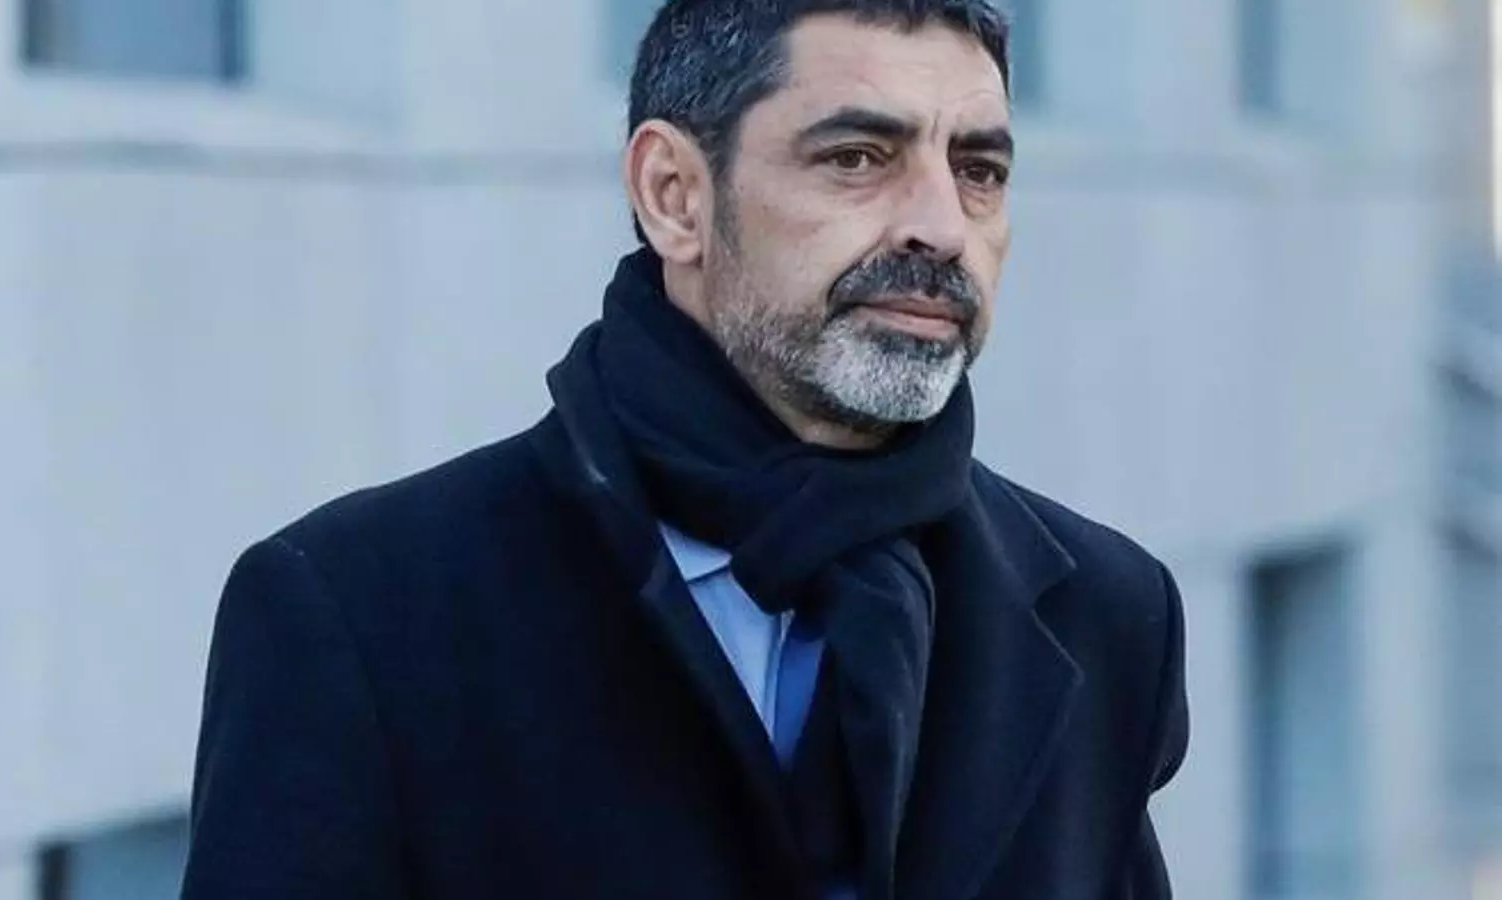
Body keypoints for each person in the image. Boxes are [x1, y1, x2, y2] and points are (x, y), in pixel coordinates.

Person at [179, 1, 1189, 897]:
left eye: (979, 171)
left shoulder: (1109, 614)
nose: (940, 227)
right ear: (673, 195)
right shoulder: (357, 610)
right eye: (857, 157)